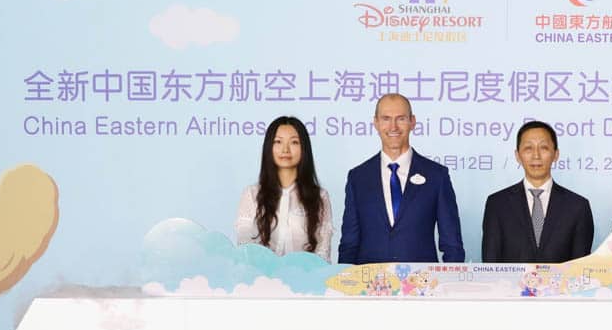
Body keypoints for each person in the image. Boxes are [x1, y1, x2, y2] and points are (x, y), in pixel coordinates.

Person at [337, 94, 465, 264]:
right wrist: (344, 278)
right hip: (369, 280)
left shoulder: (436, 176)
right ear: (376, 123)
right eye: (386, 119)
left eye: (401, 119)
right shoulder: (358, 178)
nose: (393, 126)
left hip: (422, 279)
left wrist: (450, 279)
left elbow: (452, 245)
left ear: (412, 122)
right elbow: (349, 244)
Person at [481, 120, 593, 262]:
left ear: (556, 154)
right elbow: (491, 263)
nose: (536, 156)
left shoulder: (577, 206)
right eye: (528, 148)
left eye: (544, 148)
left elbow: (581, 266)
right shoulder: (497, 204)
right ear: (517, 155)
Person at [234, 117, 332, 261]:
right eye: (278, 142)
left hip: (306, 274)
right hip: (260, 274)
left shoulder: (319, 197)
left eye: (294, 142)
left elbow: (322, 253)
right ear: (269, 147)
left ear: (304, 148)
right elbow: (245, 246)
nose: (285, 149)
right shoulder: (252, 194)